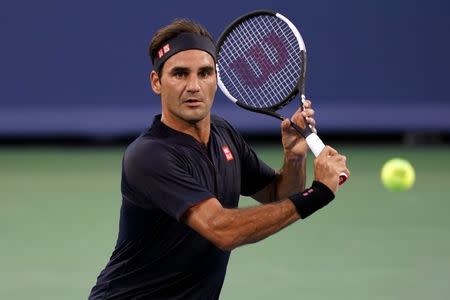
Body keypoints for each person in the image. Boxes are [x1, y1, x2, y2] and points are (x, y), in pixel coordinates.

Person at [89, 18, 349, 300]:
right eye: (179, 74)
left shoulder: (224, 133)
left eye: (204, 73)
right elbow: (222, 229)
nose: (194, 86)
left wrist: (294, 157)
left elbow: (277, 194)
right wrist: (319, 193)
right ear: (157, 82)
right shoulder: (149, 156)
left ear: (216, 77)